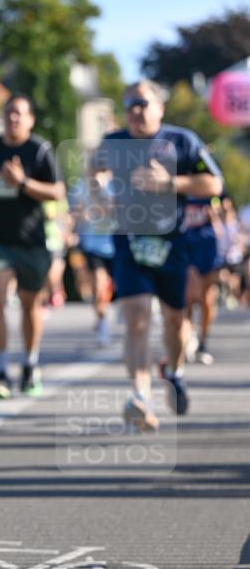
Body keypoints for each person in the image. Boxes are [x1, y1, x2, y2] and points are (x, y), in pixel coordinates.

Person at [94, 80, 223, 431]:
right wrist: (99, 193)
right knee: (136, 317)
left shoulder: (182, 141)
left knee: (175, 321)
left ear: (159, 108)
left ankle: (176, 371)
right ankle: (140, 398)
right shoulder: (114, 142)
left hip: (171, 242)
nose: (136, 111)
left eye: (142, 103)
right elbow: (95, 173)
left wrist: (172, 183)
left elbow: (214, 184)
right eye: (129, 105)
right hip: (129, 240)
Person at [0, 95, 65, 399]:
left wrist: (23, 182)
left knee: (29, 305)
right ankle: (1, 371)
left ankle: (29, 364)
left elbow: (57, 191)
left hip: (31, 240)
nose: (13, 119)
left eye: (19, 114)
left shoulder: (39, 150)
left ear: (30, 119)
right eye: (9, 113)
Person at [69, 168, 116, 347]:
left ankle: (115, 316)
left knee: (116, 289)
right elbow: (76, 214)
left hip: (116, 245)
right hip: (92, 244)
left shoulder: (117, 185)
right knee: (98, 285)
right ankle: (103, 326)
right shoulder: (80, 187)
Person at [182, 195, 222, 365]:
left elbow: (222, 212)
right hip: (187, 244)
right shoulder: (180, 183)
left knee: (207, 299)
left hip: (208, 246)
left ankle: (203, 341)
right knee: (190, 295)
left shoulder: (212, 184)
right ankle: (187, 338)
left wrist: (216, 215)